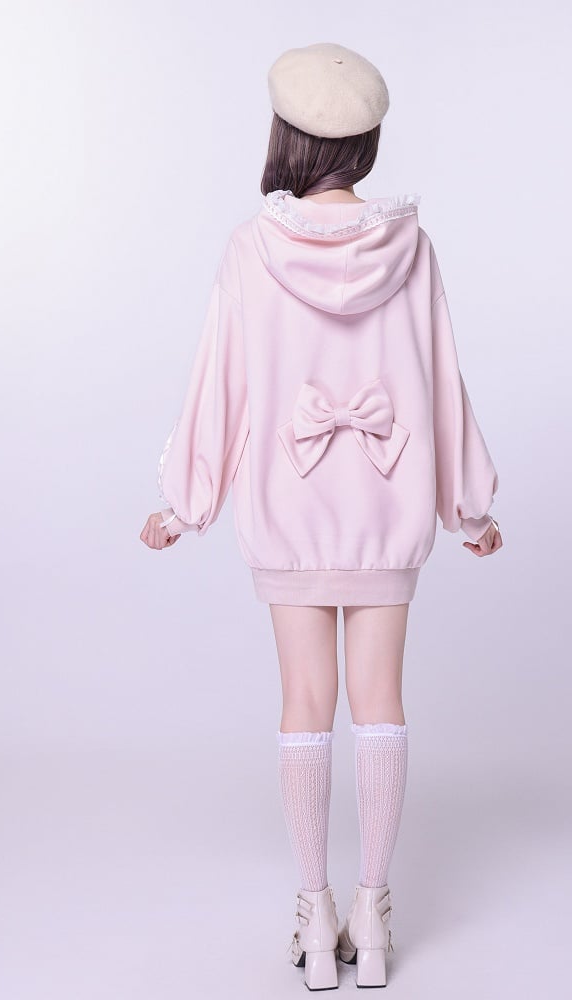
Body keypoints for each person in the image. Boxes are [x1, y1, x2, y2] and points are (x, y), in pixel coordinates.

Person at [140, 41, 502, 991]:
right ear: (365, 142)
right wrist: (469, 508)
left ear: (285, 137)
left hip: (289, 501)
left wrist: (185, 501)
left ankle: (316, 913)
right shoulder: (412, 246)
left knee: (305, 700)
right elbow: (443, 377)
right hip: (388, 496)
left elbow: (218, 382)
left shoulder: (251, 248)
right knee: (380, 698)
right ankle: (374, 912)